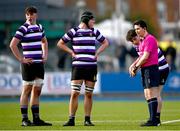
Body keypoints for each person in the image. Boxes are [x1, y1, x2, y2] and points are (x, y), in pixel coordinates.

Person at [57, 11, 109, 126]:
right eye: (92, 20)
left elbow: (105, 43)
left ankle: (87, 119)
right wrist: (71, 51)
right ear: (86, 20)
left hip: (91, 67)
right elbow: (60, 43)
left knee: (89, 94)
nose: (94, 22)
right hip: (78, 66)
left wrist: (97, 53)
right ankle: (71, 119)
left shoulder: (94, 31)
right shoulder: (74, 31)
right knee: (74, 93)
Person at [9, 6, 52, 126]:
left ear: (36, 15)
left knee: (37, 91)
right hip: (28, 64)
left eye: (32, 14)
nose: (30, 16)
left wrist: (45, 55)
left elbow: (44, 41)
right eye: (28, 14)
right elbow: (13, 45)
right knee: (27, 90)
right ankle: (24, 119)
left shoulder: (40, 27)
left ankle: (36, 119)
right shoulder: (23, 29)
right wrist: (21, 59)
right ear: (26, 16)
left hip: (39, 64)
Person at [126, 29, 169, 126]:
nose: (134, 42)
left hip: (161, 68)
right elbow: (141, 57)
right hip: (156, 68)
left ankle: (155, 119)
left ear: (138, 35)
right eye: (132, 41)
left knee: (156, 93)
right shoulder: (137, 45)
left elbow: (145, 57)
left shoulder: (145, 41)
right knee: (151, 93)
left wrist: (135, 68)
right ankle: (154, 118)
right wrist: (132, 65)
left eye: (134, 39)